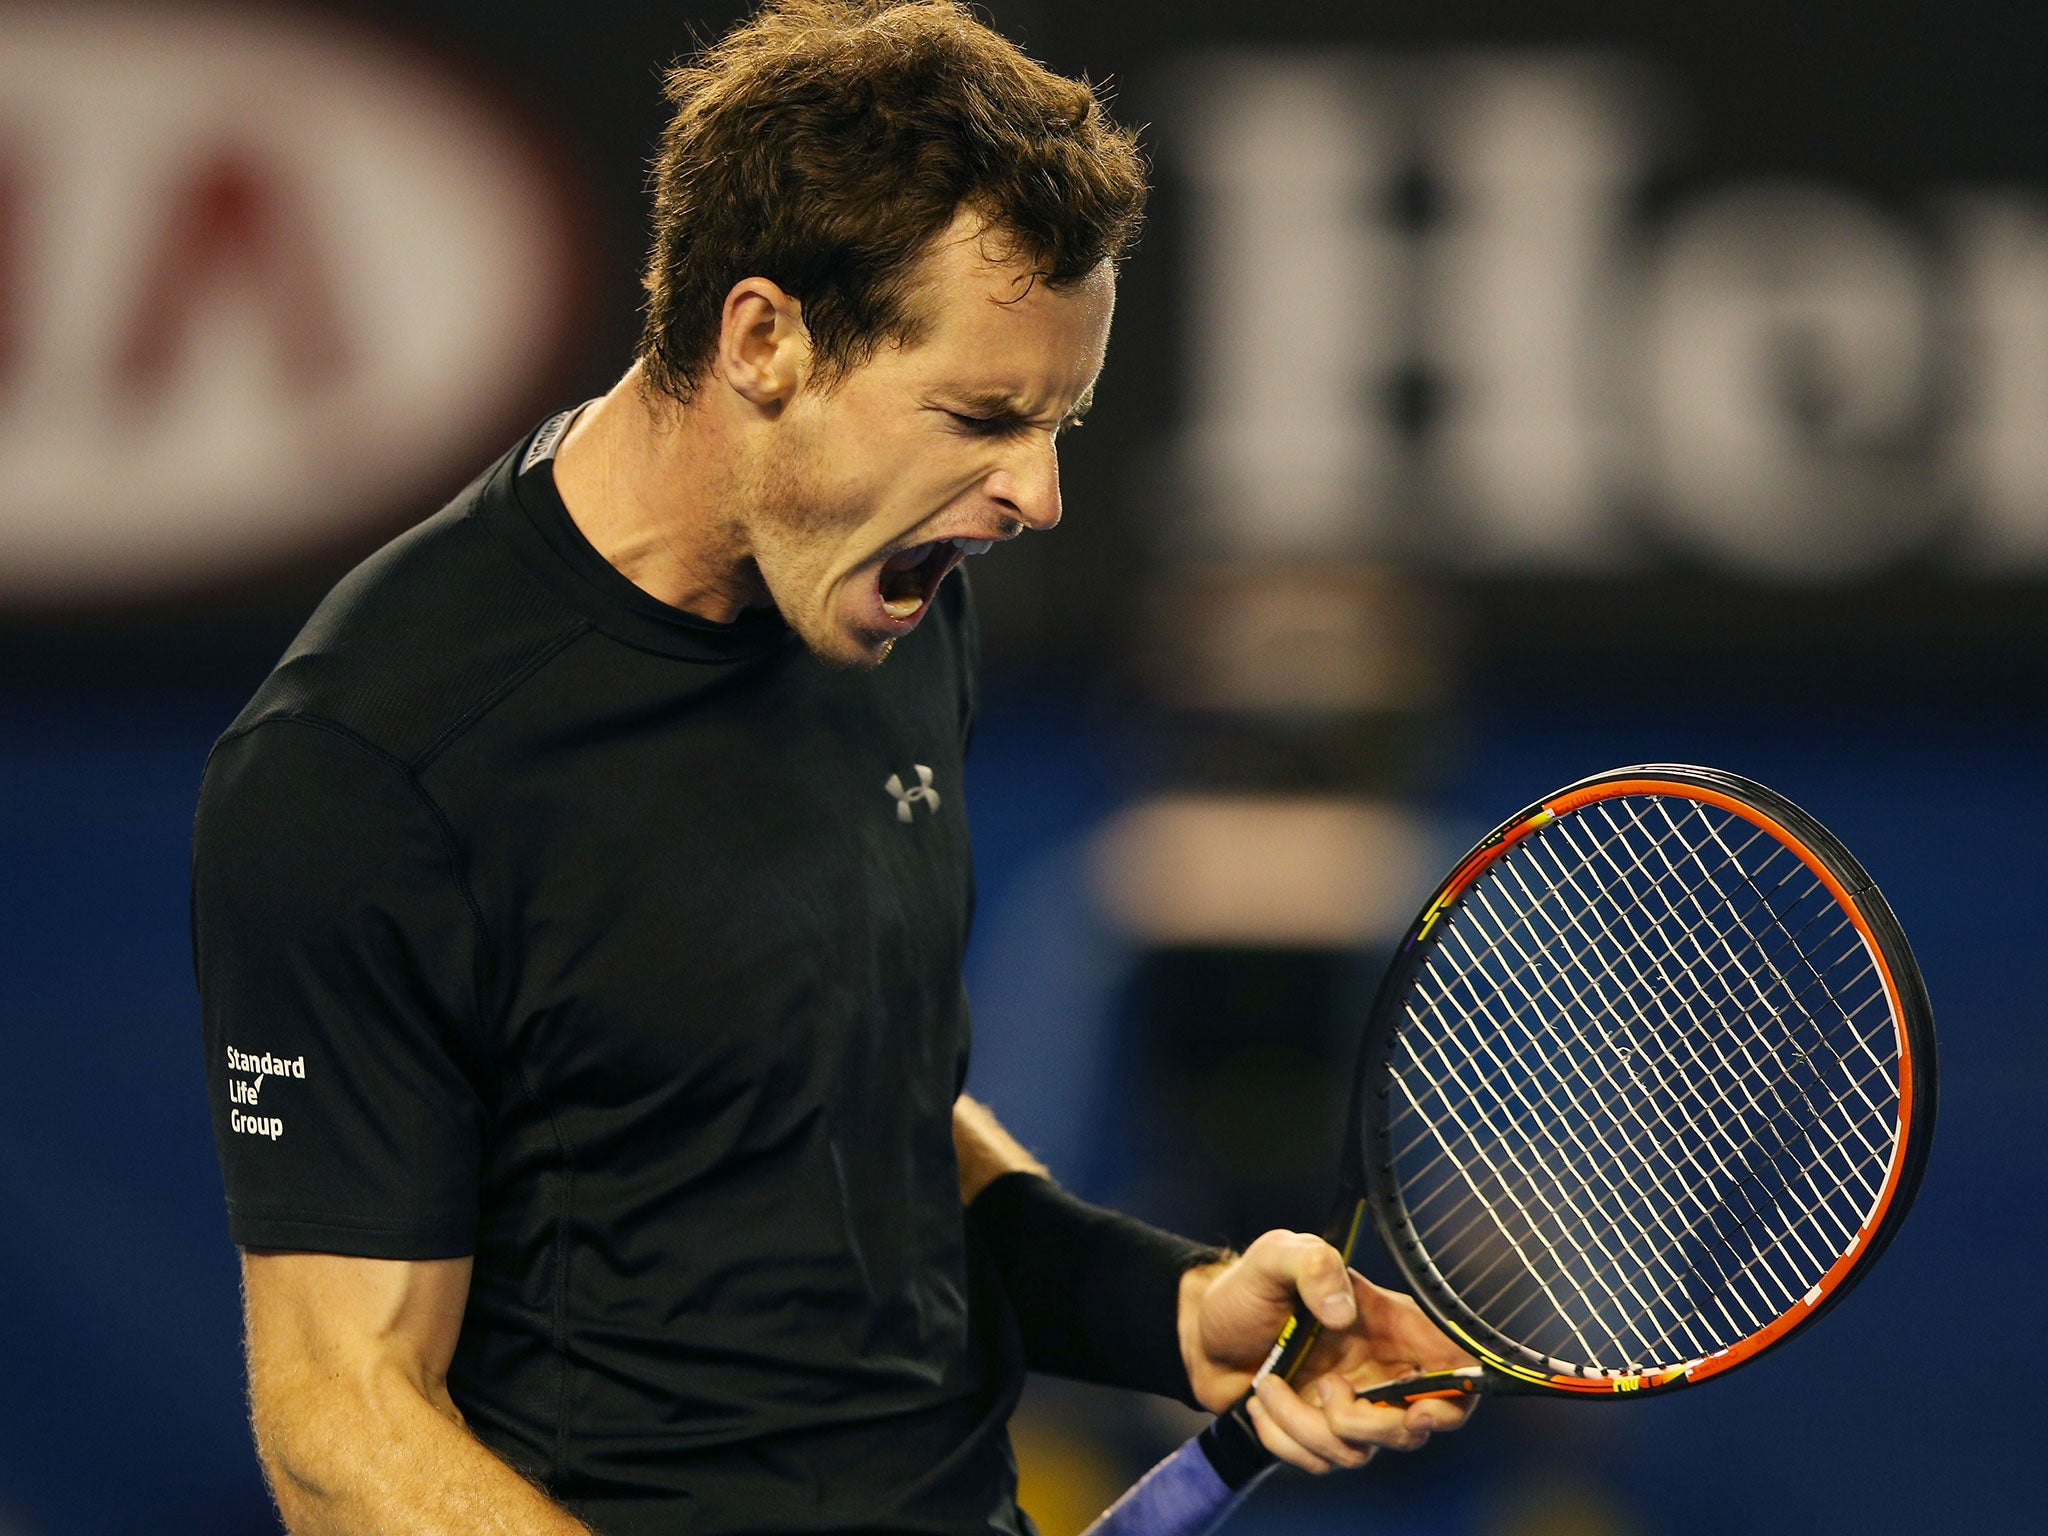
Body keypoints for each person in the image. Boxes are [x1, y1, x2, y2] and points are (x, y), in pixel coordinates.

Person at [191, 3, 1474, 1533]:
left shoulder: (901, 602)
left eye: (1062, 419)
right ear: (765, 340)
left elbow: (842, 1107)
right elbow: (343, 1420)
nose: (1041, 494)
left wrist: (1168, 1307)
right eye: (985, 416)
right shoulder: (368, 763)